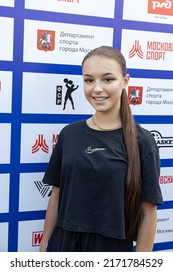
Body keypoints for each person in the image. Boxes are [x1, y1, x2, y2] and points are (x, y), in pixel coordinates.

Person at [39, 45, 163, 252]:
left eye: (107, 79)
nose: (97, 88)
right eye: (89, 80)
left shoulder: (143, 141)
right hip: (62, 247)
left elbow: (148, 213)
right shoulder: (69, 134)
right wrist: (44, 248)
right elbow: (56, 197)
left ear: (125, 81)